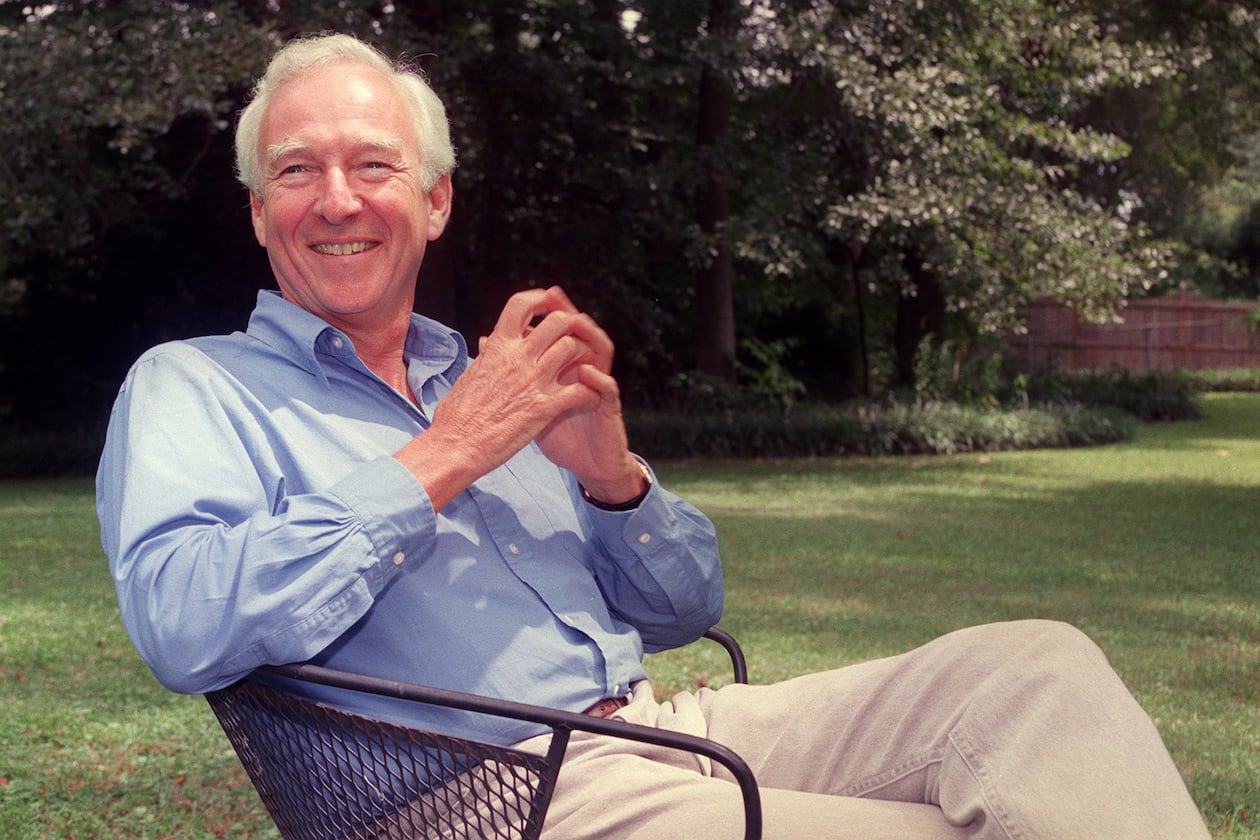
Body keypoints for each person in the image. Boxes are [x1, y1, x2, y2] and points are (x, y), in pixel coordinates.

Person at [97, 33, 1210, 840]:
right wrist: (450, 453)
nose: (336, 199)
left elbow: (687, 609)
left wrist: (611, 479)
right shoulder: (195, 386)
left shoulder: (489, 370)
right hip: (491, 799)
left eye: (372, 165)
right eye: (296, 171)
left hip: (668, 727)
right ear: (258, 210)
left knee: (1034, 676)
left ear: (433, 201)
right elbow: (185, 623)